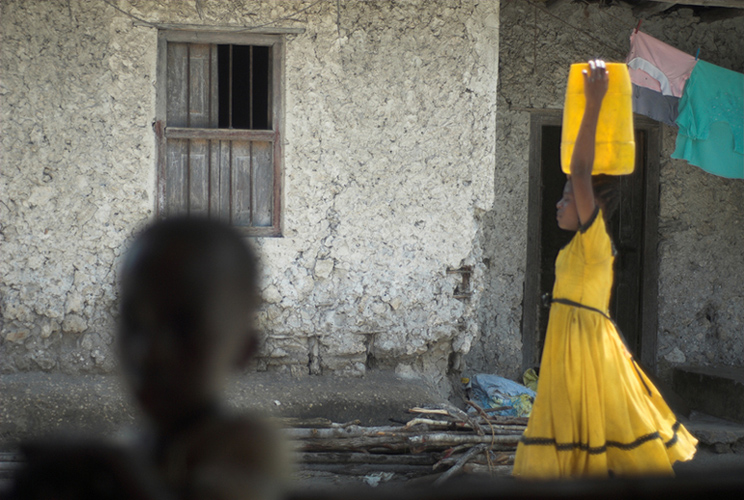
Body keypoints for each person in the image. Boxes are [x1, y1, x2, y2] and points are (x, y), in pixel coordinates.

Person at [12, 216, 290, 500]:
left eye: (184, 327)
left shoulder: (248, 444)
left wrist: (118, 469)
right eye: (133, 324)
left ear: (245, 348)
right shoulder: (136, 444)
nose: (148, 353)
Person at [512, 60, 697, 478]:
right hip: (568, 340)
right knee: (578, 424)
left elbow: (579, 170)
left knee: (605, 423)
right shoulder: (578, 244)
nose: (560, 204)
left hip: (588, 345)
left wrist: (593, 104)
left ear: (590, 207)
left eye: (567, 198)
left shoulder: (596, 241)